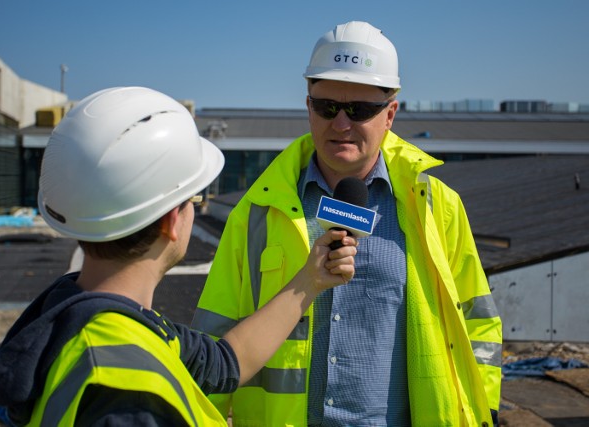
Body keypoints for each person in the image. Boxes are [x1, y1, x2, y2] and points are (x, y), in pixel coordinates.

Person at [0, 86, 358, 426]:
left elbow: (226, 363)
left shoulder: (75, 315)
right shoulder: (128, 397)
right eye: (194, 199)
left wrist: (310, 281)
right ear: (173, 221)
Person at [192, 21, 502, 426]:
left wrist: (485, 412)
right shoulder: (257, 212)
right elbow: (214, 337)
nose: (340, 124)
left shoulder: (437, 207)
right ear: (308, 107)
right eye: (326, 107)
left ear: (390, 114)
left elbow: (479, 323)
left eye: (358, 110)